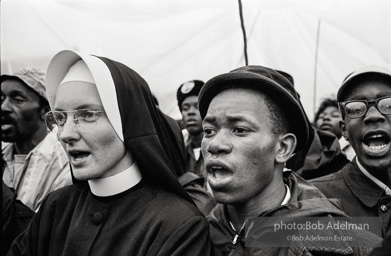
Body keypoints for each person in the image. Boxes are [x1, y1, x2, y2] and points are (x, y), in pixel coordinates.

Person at [7, 50, 210, 255]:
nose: (65, 134)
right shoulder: (56, 206)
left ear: (128, 122)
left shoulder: (179, 225)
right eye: (60, 118)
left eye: (87, 115)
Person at [198, 65, 381, 255]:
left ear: (283, 148)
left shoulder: (341, 240)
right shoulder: (192, 230)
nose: (215, 144)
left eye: (240, 130)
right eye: (209, 131)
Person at [311, 66, 391, 239]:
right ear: (344, 131)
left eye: (388, 104)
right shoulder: (311, 197)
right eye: (355, 109)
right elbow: (258, 236)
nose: (373, 116)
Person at [1, 67, 71, 211]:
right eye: (1, 99)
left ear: (45, 112)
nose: (3, 107)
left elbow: (40, 229)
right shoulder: (4, 156)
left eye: (17, 100)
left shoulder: (64, 164)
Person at [176, 80, 207, 180]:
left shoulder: (218, 146)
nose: (190, 113)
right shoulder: (178, 149)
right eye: (185, 108)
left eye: (197, 107)